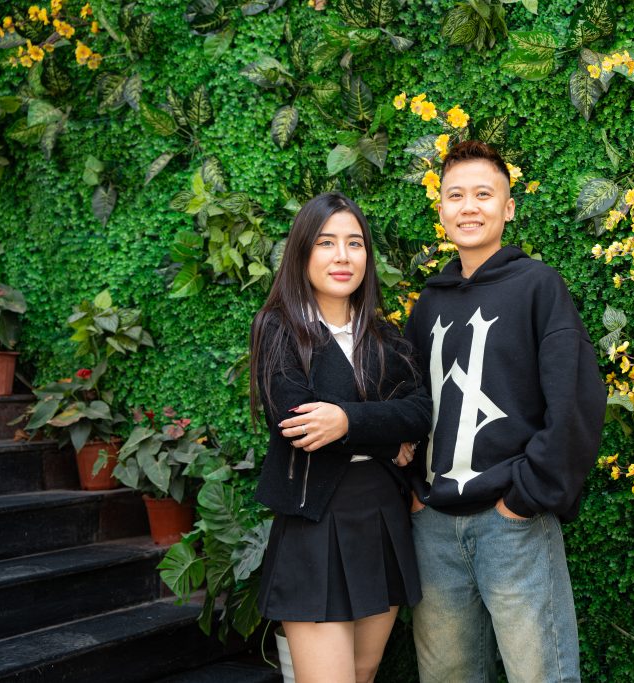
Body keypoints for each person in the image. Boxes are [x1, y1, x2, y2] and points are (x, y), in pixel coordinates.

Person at [403, 140, 606, 683]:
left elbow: (576, 401)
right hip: (433, 528)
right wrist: (414, 491)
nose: (469, 207)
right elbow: (408, 404)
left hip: (513, 526)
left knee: (541, 674)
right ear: (441, 209)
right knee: (446, 676)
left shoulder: (539, 287)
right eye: (456, 196)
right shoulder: (428, 303)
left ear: (508, 207)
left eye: (484, 194)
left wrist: (523, 498)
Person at [248, 192, 431, 683]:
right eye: (326, 242)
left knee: (364, 672)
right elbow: (299, 422)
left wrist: (346, 421)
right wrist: (383, 436)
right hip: (315, 517)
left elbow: (419, 411)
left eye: (354, 243)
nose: (342, 256)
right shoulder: (279, 328)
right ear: (303, 251)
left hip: (381, 514)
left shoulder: (386, 337)